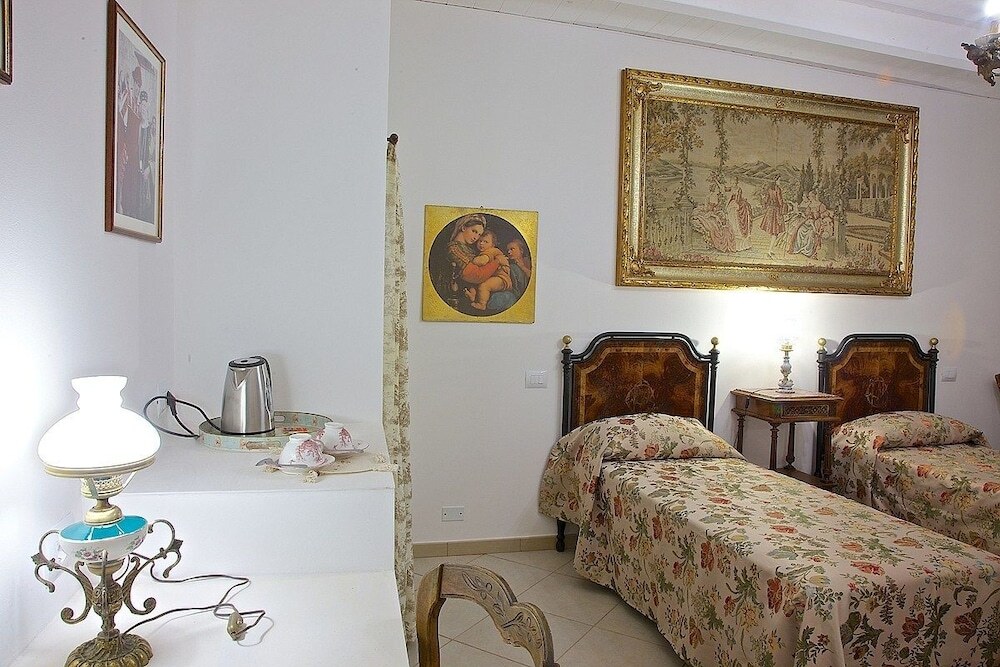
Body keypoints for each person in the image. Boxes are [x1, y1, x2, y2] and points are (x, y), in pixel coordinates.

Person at [442, 213, 502, 310]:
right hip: (455, 298)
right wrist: (497, 262)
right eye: (474, 231)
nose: (476, 237)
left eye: (479, 235)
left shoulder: (470, 249)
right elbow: (477, 275)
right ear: (463, 228)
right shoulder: (454, 249)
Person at [468, 229, 512, 310]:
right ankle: (473, 296)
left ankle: (482, 304)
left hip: (501, 279)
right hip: (491, 277)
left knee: (484, 285)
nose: (481, 243)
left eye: (485, 242)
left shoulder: (492, 251)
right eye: (480, 241)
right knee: (474, 283)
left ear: (493, 245)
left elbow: (481, 261)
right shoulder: (484, 252)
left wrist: (472, 260)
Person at [760, 176, 786, 256]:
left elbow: (766, 200)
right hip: (776, 211)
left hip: (770, 211)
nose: (780, 182)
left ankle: (770, 250)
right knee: (775, 232)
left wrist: (763, 200)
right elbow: (780, 201)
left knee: (774, 232)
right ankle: (769, 251)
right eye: (779, 180)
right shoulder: (778, 189)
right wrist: (784, 205)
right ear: (776, 181)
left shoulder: (770, 189)